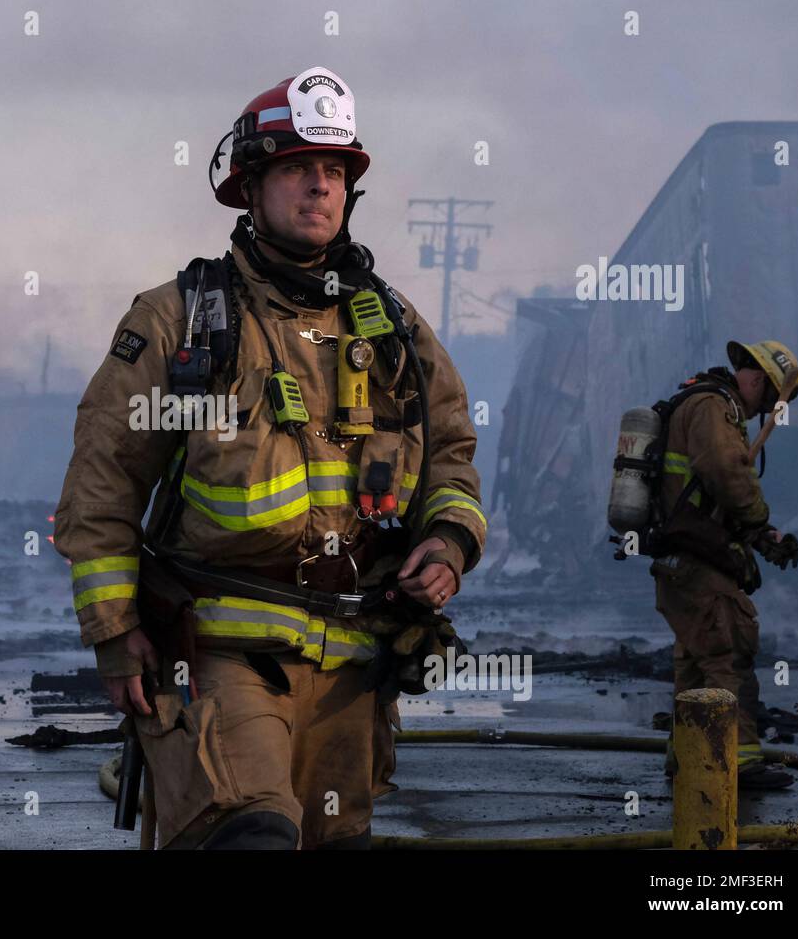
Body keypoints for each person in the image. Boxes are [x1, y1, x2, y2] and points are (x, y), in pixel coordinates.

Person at [54, 66, 485, 847]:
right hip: (220, 652)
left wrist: (448, 541)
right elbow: (102, 483)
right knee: (250, 834)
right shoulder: (181, 321)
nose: (318, 187)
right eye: (296, 169)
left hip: (354, 664)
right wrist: (115, 634)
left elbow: (451, 449)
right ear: (251, 187)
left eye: (333, 171)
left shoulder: (392, 330)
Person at [652, 339, 798, 790]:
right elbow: (725, 469)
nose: (766, 413)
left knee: (697, 663)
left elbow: (708, 495)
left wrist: (759, 536)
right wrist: (757, 516)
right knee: (728, 654)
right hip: (698, 561)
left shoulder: (705, 402)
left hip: (686, 556)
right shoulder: (714, 406)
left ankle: (687, 761)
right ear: (757, 378)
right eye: (773, 401)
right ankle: (737, 764)